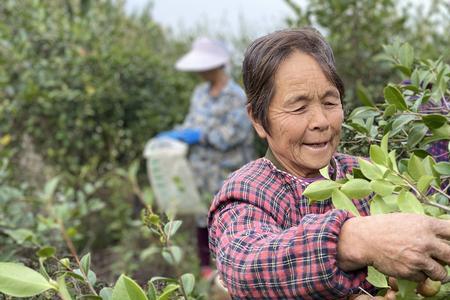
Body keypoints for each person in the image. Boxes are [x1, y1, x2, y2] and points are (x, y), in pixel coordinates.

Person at [208, 27, 450, 299]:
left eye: (330, 102)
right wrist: (356, 240)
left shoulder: (363, 173)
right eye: (299, 107)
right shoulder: (250, 190)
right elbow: (244, 265)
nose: (321, 121)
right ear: (257, 119)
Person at [157, 37, 254, 279]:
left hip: (226, 173)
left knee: (228, 217)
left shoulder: (236, 97)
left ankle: (232, 269)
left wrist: (201, 135)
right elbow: (191, 123)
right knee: (203, 217)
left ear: (218, 65)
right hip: (200, 171)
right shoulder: (199, 93)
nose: (200, 72)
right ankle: (205, 268)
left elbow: (233, 135)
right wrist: (177, 135)